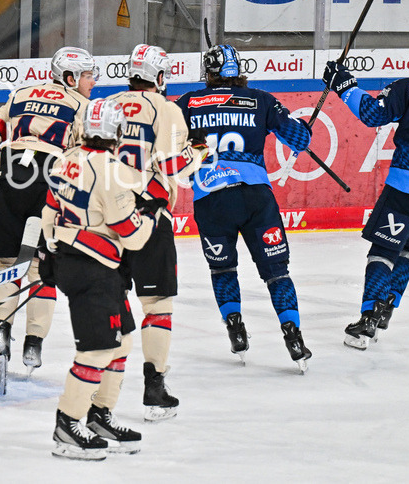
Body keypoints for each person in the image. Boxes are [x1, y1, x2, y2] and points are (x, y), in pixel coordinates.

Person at [0, 47, 97, 375]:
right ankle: (34, 343)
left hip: (11, 181)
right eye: (88, 75)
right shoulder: (83, 106)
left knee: (7, 265)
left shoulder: (20, 93)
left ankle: (1, 332)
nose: (93, 81)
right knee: (40, 268)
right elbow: (88, 156)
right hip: (48, 185)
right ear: (70, 77)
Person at [175, 45, 314, 371]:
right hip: (255, 198)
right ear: (238, 71)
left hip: (211, 198)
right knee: (277, 273)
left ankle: (235, 327)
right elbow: (300, 140)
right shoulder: (262, 99)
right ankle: (293, 336)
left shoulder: (188, 103)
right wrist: (305, 130)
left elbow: (169, 145)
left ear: (208, 73)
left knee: (223, 269)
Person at [322, 35, 409, 349]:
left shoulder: (408, 88)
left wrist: (343, 84)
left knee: (383, 252)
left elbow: (373, 115)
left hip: (407, 187)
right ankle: (387, 308)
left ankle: (369, 318)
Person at [41, 99, 154, 460]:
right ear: (115, 131)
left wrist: (52, 250)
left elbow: (48, 209)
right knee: (98, 349)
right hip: (94, 268)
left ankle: (99, 415)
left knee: (121, 341)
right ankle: (67, 424)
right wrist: (151, 214)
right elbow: (132, 235)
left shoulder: (64, 158)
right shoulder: (111, 170)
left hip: (81, 262)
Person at [106, 44, 207, 421]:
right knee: (157, 306)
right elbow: (174, 166)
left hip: (106, 219)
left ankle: (103, 393)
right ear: (159, 77)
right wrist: (199, 152)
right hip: (149, 217)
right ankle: (154, 387)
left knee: (112, 303)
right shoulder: (167, 109)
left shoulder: (106, 103)